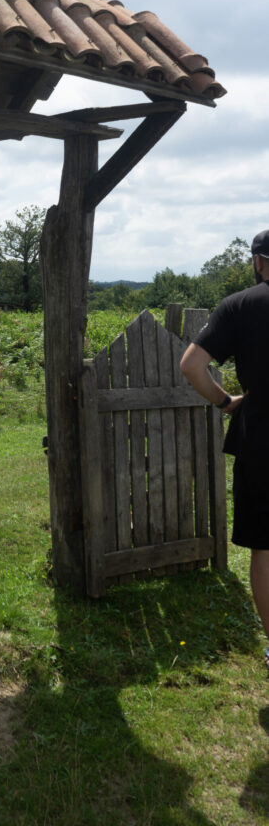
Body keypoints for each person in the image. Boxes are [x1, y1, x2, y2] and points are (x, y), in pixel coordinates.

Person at [180, 230, 269, 668]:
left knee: (265, 549)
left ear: (258, 262)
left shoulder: (239, 306)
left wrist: (225, 401)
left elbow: (192, 366)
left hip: (262, 437)